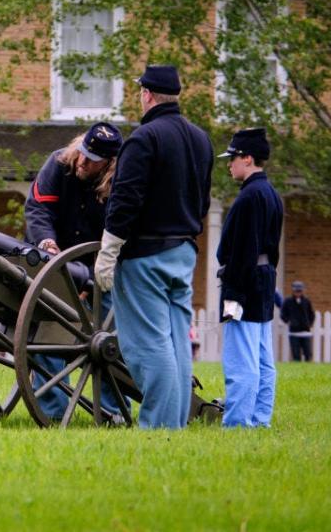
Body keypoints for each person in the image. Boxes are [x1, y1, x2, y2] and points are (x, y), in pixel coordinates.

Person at [94, 65, 214, 429]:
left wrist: (108, 251)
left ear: (146, 94)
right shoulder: (201, 139)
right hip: (184, 252)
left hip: (145, 256)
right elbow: (204, 203)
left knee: (148, 346)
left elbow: (124, 201)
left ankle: (158, 428)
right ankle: (174, 424)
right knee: (177, 344)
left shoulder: (144, 139)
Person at [24, 121, 127, 421]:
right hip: (54, 264)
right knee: (50, 333)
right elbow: (38, 208)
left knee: (108, 340)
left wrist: (92, 279)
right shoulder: (59, 163)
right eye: (83, 153)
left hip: (100, 269)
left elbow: (117, 231)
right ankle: (52, 411)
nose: (83, 161)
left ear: (109, 163)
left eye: (92, 160)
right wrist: (46, 243)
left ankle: (113, 412)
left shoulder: (119, 183)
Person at [216, 127, 284, 428]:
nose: (229, 164)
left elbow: (242, 251)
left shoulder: (248, 198)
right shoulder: (271, 194)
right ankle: (259, 419)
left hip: (245, 282)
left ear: (248, 158)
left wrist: (233, 293)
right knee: (262, 357)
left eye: (233, 158)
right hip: (264, 279)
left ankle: (238, 423)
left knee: (241, 360)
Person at [280, 280, 315, 362]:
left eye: (300, 291)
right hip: (294, 332)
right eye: (296, 291)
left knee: (308, 354)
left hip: (306, 332)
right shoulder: (288, 301)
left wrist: (309, 324)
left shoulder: (307, 301)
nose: (298, 292)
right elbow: (283, 314)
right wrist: (288, 321)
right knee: (296, 355)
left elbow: (311, 314)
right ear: (293, 290)